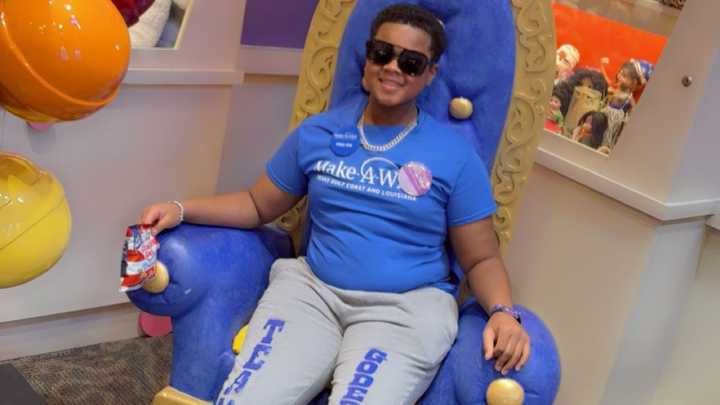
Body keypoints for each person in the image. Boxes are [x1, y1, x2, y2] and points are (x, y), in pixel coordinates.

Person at [139, 4, 530, 405]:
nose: (393, 67)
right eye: (382, 53)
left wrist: (503, 311)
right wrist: (181, 209)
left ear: (430, 73)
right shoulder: (319, 132)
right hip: (313, 293)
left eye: (411, 62)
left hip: (407, 309)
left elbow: (481, 258)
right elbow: (257, 204)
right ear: (368, 58)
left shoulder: (454, 156)